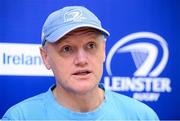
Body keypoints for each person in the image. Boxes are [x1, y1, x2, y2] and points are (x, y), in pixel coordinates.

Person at [2, 6, 159, 120]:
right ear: (45, 57)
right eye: (67, 48)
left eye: (91, 46)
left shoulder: (142, 116)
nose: (82, 60)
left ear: (103, 50)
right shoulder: (20, 117)